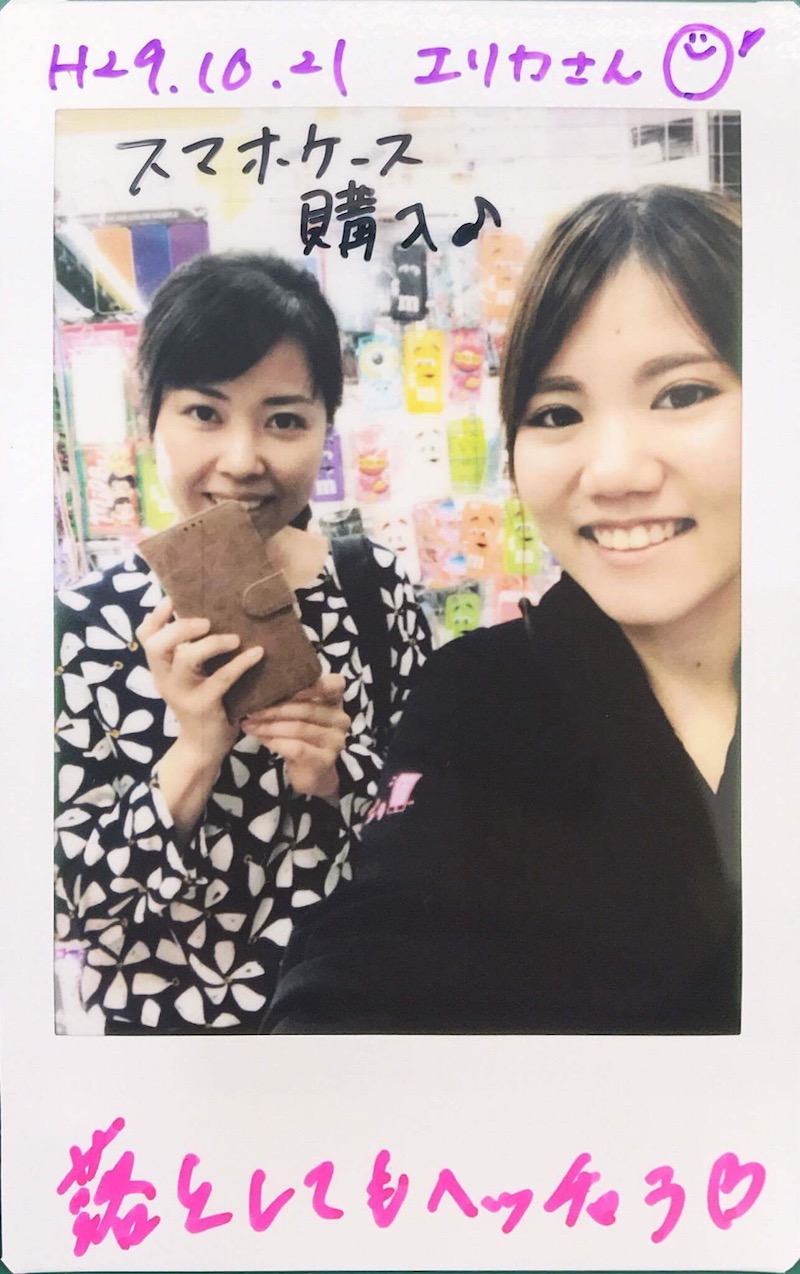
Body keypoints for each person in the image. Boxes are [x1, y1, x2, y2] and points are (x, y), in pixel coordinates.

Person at [264, 185, 742, 1035]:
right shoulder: (476, 700)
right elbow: (378, 940)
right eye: (557, 413)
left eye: (681, 394)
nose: (614, 471)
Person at [54, 252, 431, 1032]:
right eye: (204, 413)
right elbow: (69, 909)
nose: (242, 459)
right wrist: (194, 753)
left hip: (351, 1022)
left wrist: (337, 775)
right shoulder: (83, 627)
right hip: (170, 1049)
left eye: (285, 419)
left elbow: (430, 827)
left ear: (325, 429)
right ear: (150, 421)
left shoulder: (375, 590)